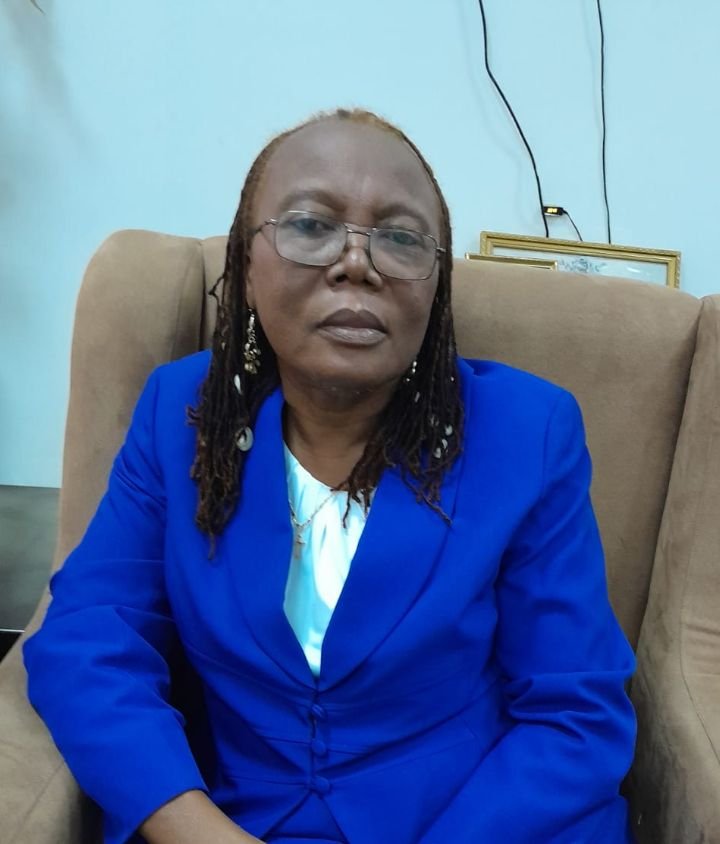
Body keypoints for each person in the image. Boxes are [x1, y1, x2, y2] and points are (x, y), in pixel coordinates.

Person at [24, 108, 637, 844]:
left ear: (436, 285)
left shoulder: (528, 433)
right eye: (312, 225)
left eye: (400, 237)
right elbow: (89, 640)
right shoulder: (180, 414)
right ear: (247, 268)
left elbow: (575, 715)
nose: (357, 263)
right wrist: (196, 828)